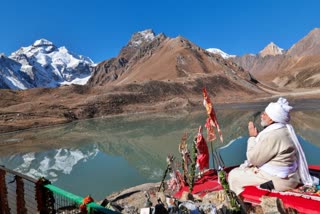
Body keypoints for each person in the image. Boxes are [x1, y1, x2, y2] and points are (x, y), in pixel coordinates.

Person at [228, 97, 318, 195]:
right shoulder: (285, 130)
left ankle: (240, 202)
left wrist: (253, 138)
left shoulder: (273, 135)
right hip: (292, 178)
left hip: (279, 181)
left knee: (233, 175)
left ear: (271, 119)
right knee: (245, 170)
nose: (262, 116)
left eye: (265, 114)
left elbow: (253, 159)